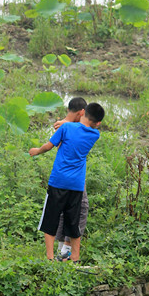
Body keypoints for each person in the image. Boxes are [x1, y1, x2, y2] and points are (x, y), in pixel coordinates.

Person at [29, 102, 105, 262]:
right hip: (76, 185)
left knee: (50, 219)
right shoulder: (94, 135)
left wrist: (36, 151)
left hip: (58, 181)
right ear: (98, 123)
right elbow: (83, 128)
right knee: (73, 221)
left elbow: (48, 146)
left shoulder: (65, 128)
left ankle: (50, 258)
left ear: (82, 113)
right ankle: (74, 258)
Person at [53, 97, 90, 260]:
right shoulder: (74, 128)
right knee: (81, 208)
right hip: (75, 177)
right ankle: (67, 249)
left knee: (64, 209)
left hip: (60, 174)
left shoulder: (61, 126)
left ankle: (62, 247)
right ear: (82, 112)